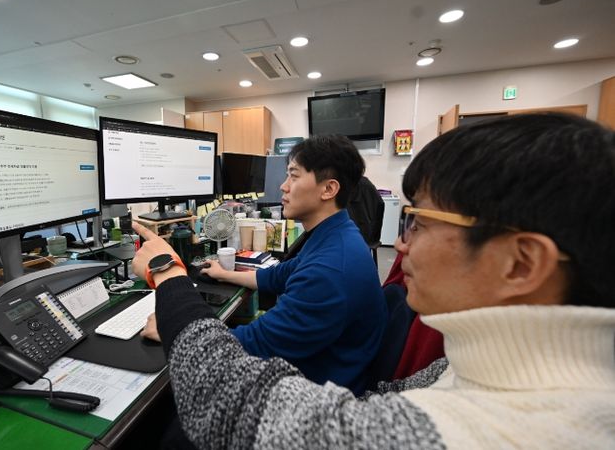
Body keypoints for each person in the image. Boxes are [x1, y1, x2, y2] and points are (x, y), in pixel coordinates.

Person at [132, 113, 615, 449]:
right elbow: (282, 274)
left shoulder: (505, 432)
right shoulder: (479, 371)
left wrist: (168, 275)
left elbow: (229, 401)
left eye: (419, 222)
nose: (400, 247)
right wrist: (225, 273)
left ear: (521, 263)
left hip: (323, 382)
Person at [142, 136, 388, 395]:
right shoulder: (336, 235)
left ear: (328, 189)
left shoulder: (330, 270)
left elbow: (248, 348)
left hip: (314, 395)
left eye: (294, 176)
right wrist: (224, 274)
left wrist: (175, 326)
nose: (283, 186)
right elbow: (278, 276)